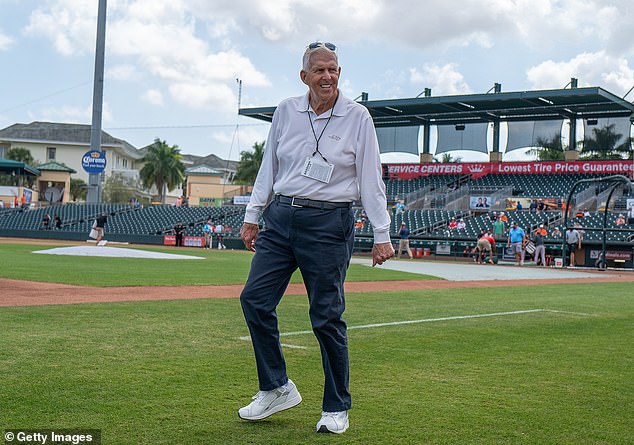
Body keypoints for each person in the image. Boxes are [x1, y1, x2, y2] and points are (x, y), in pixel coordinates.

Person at [237, 41, 394, 435]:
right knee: (254, 300)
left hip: (329, 223)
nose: (328, 76)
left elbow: (370, 178)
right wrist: (252, 215)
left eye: (334, 70)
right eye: (320, 70)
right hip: (280, 218)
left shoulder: (358, 117)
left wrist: (382, 233)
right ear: (304, 76)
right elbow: (268, 166)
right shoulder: (286, 111)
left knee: (325, 317)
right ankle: (276, 387)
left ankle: (336, 406)